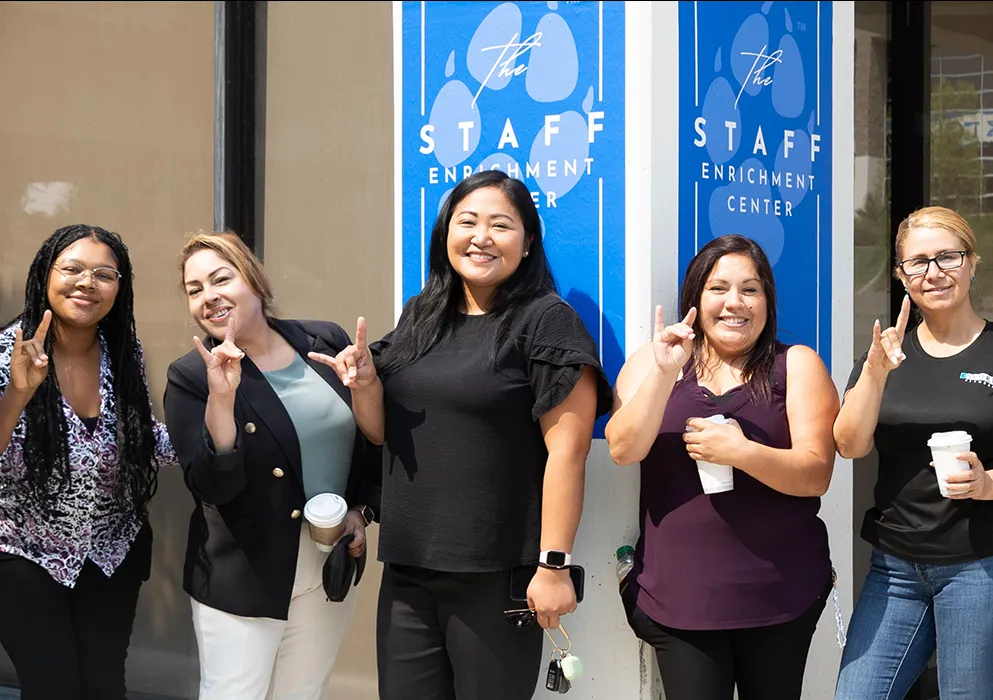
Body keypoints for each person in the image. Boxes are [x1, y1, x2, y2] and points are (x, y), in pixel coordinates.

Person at [370, 170, 611, 700]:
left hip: (496, 573)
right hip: (409, 570)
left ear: (527, 244)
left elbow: (567, 454)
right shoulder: (421, 315)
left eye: (500, 225)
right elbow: (383, 431)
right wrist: (364, 382)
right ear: (445, 234)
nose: (481, 236)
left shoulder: (547, 321)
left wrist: (553, 566)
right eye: (467, 222)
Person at [833, 206, 993, 700]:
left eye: (948, 256)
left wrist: (989, 484)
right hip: (896, 566)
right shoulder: (885, 353)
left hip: (985, 562)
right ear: (901, 275)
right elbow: (849, 444)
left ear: (972, 263)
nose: (934, 272)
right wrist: (876, 373)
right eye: (918, 262)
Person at [604, 233, 840, 700]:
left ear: (767, 302)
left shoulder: (796, 365)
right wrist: (664, 370)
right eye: (719, 288)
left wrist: (743, 453)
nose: (735, 303)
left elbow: (817, 473)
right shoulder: (652, 365)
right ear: (695, 298)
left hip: (781, 594)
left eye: (750, 290)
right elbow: (624, 449)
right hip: (680, 599)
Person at [163, 231, 383, 700]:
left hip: (328, 563)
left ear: (255, 280)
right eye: (195, 289)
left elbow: (367, 442)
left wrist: (360, 511)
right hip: (245, 576)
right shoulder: (190, 375)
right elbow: (210, 487)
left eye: (221, 278)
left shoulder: (324, 340)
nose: (209, 296)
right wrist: (221, 400)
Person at [0, 224, 177, 699]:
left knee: (103, 687)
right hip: (23, 554)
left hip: (109, 551)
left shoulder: (123, 353)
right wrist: (18, 393)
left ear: (120, 287)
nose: (87, 282)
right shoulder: (7, 354)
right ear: (45, 274)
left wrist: (217, 431)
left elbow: (137, 438)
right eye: (73, 269)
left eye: (104, 273)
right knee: (53, 686)